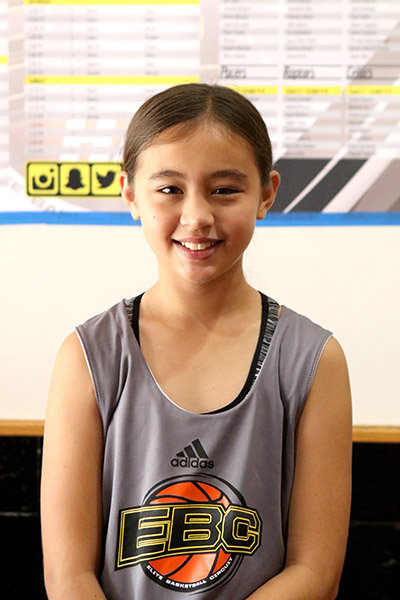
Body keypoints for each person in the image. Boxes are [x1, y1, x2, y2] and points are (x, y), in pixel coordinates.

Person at [41, 83, 352, 600]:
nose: (197, 216)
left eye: (224, 189)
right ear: (130, 195)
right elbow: (68, 576)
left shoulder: (314, 361)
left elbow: (315, 573)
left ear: (267, 193)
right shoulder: (88, 357)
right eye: (169, 189)